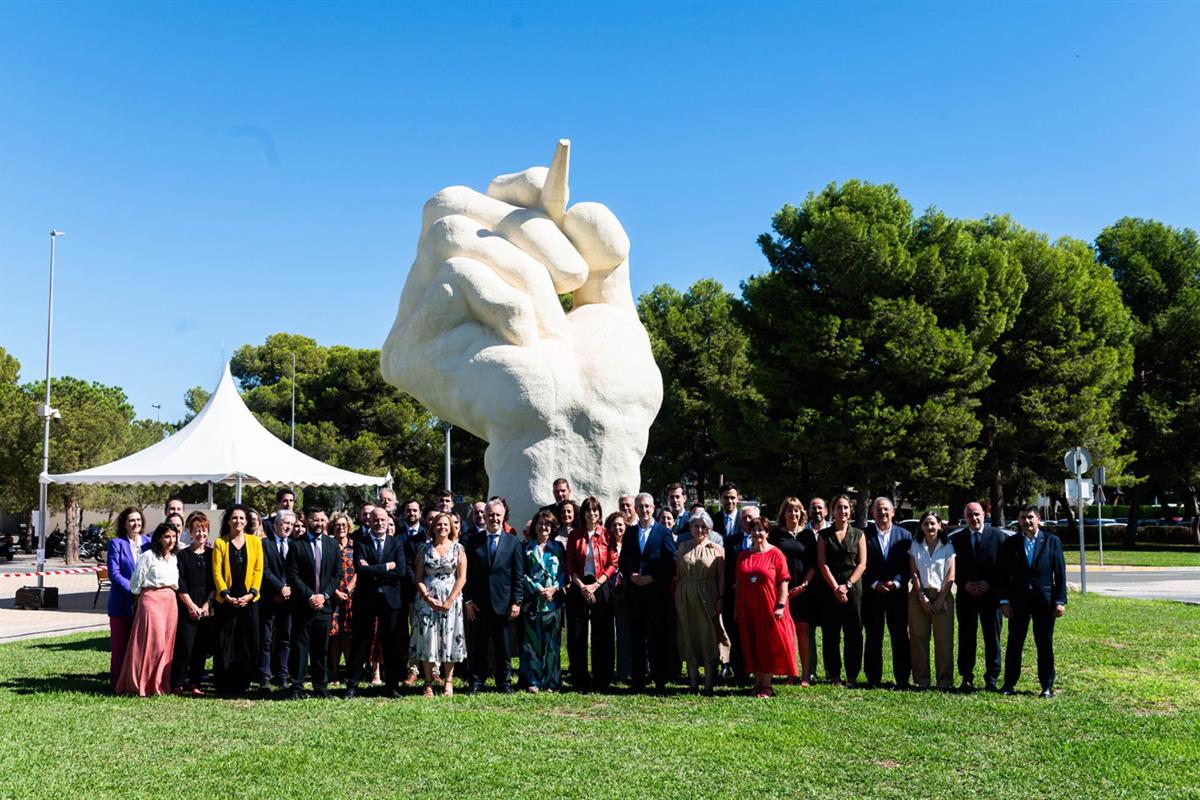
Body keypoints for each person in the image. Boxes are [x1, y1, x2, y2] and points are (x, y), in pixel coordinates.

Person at [1000, 505, 1067, 697]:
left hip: (1044, 602)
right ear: (1018, 521)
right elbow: (1003, 575)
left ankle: (1046, 686)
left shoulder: (1052, 542)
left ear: (1038, 519)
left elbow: (1060, 573)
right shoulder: (1010, 543)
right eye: (1022, 518)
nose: (1026, 522)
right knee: (1014, 643)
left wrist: (1060, 600)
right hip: (1018, 601)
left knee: (1044, 643)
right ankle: (1009, 684)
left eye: (1030, 517)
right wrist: (1004, 601)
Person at [345, 507, 407, 698]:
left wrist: (373, 570)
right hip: (366, 599)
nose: (380, 523)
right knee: (361, 642)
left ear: (388, 521)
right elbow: (361, 571)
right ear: (369, 521)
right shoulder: (361, 543)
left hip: (390, 599)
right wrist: (386, 567)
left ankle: (392, 686)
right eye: (376, 520)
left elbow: (401, 572)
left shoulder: (396, 543)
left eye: (383, 520)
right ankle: (352, 686)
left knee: (391, 644)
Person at [464, 500, 525, 693]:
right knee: (478, 645)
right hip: (479, 604)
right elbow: (467, 574)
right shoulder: (474, 541)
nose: (494, 518)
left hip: (504, 603)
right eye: (490, 515)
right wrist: (468, 600)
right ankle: (476, 682)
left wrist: (517, 601)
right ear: (485, 516)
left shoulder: (512, 541)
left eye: (498, 515)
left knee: (503, 647)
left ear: (503, 516)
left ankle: (504, 683)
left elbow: (518, 574)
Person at [618, 493, 676, 693]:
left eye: (647, 506)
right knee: (636, 638)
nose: (644, 510)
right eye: (640, 506)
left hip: (656, 593)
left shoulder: (663, 532)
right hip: (635, 592)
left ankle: (659, 681)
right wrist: (631, 575)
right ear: (635, 508)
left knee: (656, 638)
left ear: (653, 508)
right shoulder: (630, 533)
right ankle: (637, 681)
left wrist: (652, 577)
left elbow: (671, 562)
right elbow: (622, 561)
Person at [285, 506, 343, 699]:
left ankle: (320, 686)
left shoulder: (332, 545)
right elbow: (292, 575)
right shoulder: (296, 545)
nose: (318, 523)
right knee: (300, 648)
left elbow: (337, 575)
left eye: (321, 520)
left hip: (324, 605)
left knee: (321, 648)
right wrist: (310, 596)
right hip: (303, 604)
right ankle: (297, 686)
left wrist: (324, 596)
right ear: (307, 521)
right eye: (314, 520)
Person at [735, 516, 797, 697]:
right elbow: (739, 583)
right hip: (748, 608)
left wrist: (780, 605)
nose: (757, 533)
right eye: (754, 529)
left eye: (761, 529)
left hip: (770, 607)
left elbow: (784, 581)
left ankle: (766, 685)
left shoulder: (776, 554)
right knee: (752, 644)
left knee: (768, 645)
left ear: (767, 532)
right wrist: (736, 609)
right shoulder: (743, 555)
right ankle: (757, 682)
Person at [116, 523, 180, 696]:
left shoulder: (174, 558)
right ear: (159, 538)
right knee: (154, 643)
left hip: (170, 601)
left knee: (166, 645)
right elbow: (135, 583)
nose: (171, 540)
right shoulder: (148, 556)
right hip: (151, 600)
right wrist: (141, 600)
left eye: (174, 536)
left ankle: (158, 684)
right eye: (167, 536)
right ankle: (140, 684)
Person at [950, 501, 1006, 692]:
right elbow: (951, 568)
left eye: (977, 514)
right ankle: (966, 676)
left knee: (993, 638)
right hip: (966, 597)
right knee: (966, 637)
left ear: (984, 515)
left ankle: (992, 678)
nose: (974, 518)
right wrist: (963, 583)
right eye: (969, 515)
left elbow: (1004, 567)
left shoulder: (999, 537)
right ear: (964, 517)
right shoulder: (957, 539)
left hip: (991, 597)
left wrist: (989, 583)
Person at [410, 512, 468, 697]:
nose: (442, 527)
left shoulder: (458, 549)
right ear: (433, 527)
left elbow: (462, 577)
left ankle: (448, 682)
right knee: (429, 640)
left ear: (451, 527)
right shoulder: (424, 550)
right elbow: (418, 578)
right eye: (439, 524)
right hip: (428, 602)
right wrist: (427, 597)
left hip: (451, 601)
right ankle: (427, 682)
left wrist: (450, 600)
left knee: (449, 640)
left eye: (446, 524)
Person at [564, 496, 617, 692]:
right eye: (588, 510)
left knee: (602, 632)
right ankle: (579, 678)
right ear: (583, 513)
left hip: (600, 585)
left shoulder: (606, 535)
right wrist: (581, 586)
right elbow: (569, 563)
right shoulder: (574, 535)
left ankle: (602, 678)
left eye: (595, 510)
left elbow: (612, 563)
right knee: (577, 633)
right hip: (579, 586)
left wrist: (595, 585)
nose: (592, 514)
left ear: (599, 513)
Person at [212, 505, 264, 694]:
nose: (238, 521)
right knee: (226, 642)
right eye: (234, 518)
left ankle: (243, 682)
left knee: (247, 642)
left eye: (242, 518)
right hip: (227, 601)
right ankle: (224, 683)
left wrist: (251, 594)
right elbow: (217, 572)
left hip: (249, 601)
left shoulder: (255, 542)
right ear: (228, 521)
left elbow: (258, 570)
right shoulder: (220, 543)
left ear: (247, 522)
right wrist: (226, 595)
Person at [862, 496, 913, 689]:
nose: (882, 513)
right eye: (878, 510)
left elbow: (908, 566)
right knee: (873, 636)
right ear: (872, 513)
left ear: (892, 512)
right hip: (872, 594)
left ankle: (902, 678)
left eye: (886, 509)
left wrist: (898, 582)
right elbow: (861, 565)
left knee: (900, 636)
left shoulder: (905, 535)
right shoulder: (863, 535)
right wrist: (874, 583)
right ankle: (873, 678)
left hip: (897, 595)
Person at [817, 495, 866, 687]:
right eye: (839, 507)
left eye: (846, 508)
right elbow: (822, 564)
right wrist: (836, 587)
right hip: (830, 589)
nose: (843, 511)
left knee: (854, 633)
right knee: (831, 634)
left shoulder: (859, 534)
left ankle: (852, 675)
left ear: (850, 510)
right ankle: (834, 675)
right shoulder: (824, 535)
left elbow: (862, 564)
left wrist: (847, 586)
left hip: (853, 589)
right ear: (832, 510)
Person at [769, 497, 819, 686]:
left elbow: (814, 564)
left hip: (803, 590)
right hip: (782, 591)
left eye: (797, 510)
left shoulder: (807, 535)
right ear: (783, 514)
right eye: (789, 510)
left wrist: (805, 585)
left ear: (802, 513)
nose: (793, 514)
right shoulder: (775, 535)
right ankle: (791, 672)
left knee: (803, 632)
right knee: (786, 633)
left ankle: (805, 674)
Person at [674, 511, 724, 694]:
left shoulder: (716, 549)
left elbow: (721, 576)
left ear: (709, 529)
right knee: (689, 635)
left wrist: (720, 598)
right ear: (691, 528)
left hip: (707, 596)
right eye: (696, 526)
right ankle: (693, 683)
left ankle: (709, 683)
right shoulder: (682, 547)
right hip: (686, 595)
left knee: (708, 636)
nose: (700, 529)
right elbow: (677, 574)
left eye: (704, 526)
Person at [908, 511, 956, 690]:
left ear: (939, 526)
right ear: (921, 527)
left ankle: (944, 681)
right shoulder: (915, 546)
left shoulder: (948, 547)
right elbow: (913, 572)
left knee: (944, 640)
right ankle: (922, 680)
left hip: (942, 595)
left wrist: (940, 599)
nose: (929, 527)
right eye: (926, 524)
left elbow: (951, 574)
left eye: (933, 523)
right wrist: (921, 597)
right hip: (918, 596)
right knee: (918, 638)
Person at [520, 510, 567, 692]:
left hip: (553, 602)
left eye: (547, 524)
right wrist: (538, 588)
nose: (543, 527)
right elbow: (523, 573)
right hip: (533, 601)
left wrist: (554, 588)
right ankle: (534, 681)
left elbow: (564, 572)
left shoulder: (558, 548)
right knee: (532, 643)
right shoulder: (526, 547)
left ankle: (551, 682)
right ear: (534, 527)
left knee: (552, 644)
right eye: (540, 523)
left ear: (552, 527)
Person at [107, 506, 149, 689]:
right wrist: (133, 591)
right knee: (120, 648)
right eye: (132, 520)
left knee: (140, 647)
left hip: (144, 604)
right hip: (121, 603)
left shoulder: (148, 542)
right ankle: (118, 684)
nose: (135, 523)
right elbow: (114, 574)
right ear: (124, 523)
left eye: (138, 520)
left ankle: (138, 682)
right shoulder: (116, 543)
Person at [173, 511, 215, 695]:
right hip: (187, 605)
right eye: (197, 530)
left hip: (206, 606)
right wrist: (191, 606)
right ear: (190, 532)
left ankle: (195, 683)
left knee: (201, 647)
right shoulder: (182, 556)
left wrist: (207, 605)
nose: (201, 534)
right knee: (185, 646)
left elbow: (215, 583)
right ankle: (178, 682)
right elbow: (180, 584)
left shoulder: (213, 555)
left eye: (204, 530)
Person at [722, 503, 760, 684]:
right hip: (734, 597)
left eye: (751, 517)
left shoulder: (765, 543)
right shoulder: (730, 542)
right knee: (736, 635)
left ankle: (759, 672)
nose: (747, 521)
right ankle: (740, 674)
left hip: (758, 598)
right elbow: (726, 569)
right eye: (744, 518)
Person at [258, 509, 295, 693]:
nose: (287, 527)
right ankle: (264, 677)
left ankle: (282, 676)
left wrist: (288, 589)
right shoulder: (265, 544)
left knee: (285, 638)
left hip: (289, 599)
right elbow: (264, 570)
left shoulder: (295, 545)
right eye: (284, 523)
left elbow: (296, 571)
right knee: (266, 639)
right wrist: (279, 588)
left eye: (290, 524)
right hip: (269, 597)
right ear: (275, 524)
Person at [327, 511, 357, 685]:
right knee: (335, 636)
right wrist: (335, 592)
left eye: (343, 525)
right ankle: (334, 672)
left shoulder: (355, 547)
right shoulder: (329, 546)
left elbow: (359, 570)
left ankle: (348, 671)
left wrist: (348, 589)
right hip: (332, 596)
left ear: (348, 527)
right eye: (337, 525)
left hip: (351, 596)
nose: (341, 528)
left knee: (349, 635)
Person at [606, 512, 633, 684]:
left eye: (620, 525)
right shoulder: (605, 545)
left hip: (627, 594)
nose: (617, 528)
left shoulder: (631, 544)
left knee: (624, 634)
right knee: (608, 635)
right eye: (614, 525)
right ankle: (608, 671)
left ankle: (624, 671)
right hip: (608, 593)